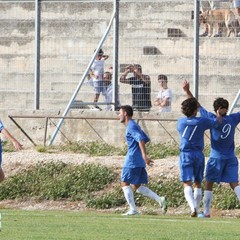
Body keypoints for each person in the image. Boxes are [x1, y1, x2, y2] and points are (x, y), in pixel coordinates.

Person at [183, 80, 240, 218]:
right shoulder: (233, 118)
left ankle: (206, 212)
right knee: (234, 183)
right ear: (223, 108)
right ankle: (205, 211)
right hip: (231, 157)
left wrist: (187, 91)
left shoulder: (210, 118)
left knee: (209, 183)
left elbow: (196, 105)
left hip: (216, 157)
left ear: (217, 109)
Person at [177, 96, 222, 217]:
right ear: (195, 110)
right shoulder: (202, 121)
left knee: (187, 182)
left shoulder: (180, 122)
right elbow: (217, 123)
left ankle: (193, 208)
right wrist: (218, 113)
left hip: (185, 154)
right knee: (197, 182)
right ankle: (196, 208)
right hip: (198, 154)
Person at [118, 105, 167, 215]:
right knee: (137, 186)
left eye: (120, 113)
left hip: (133, 159)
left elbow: (141, 139)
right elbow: (145, 138)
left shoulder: (131, 126)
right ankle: (160, 200)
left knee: (124, 183)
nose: (118, 115)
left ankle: (133, 210)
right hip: (138, 159)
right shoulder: (134, 125)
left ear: (125, 113)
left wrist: (144, 155)